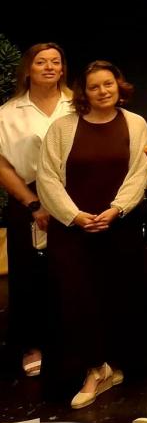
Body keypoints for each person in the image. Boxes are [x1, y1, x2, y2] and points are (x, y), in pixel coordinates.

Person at [37, 61, 147, 407]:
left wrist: (116, 210)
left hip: (118, 225)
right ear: (83, 93)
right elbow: (47, 177)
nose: (103, 91)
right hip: (73, 230)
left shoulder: (135, 123)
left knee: (118, 296)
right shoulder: (62, 127)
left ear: (119, 85)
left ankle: (114, 366)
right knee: (77, 298)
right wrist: (74, 216)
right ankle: (92, 369)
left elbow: (139, 171)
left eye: (108, 84)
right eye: (94, 87)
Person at [0, 43, 73, 378]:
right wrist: (33, 204)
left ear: (62, 69)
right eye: (41, 62)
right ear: (27, 70)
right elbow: (2, 165)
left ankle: (76, 342)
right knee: (29, 277)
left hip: (77, 199)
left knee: (75, 275)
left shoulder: (78, 104)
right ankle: (33, 345)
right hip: (30, 202)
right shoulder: (8, 112)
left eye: (55, 62)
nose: (48, 67)